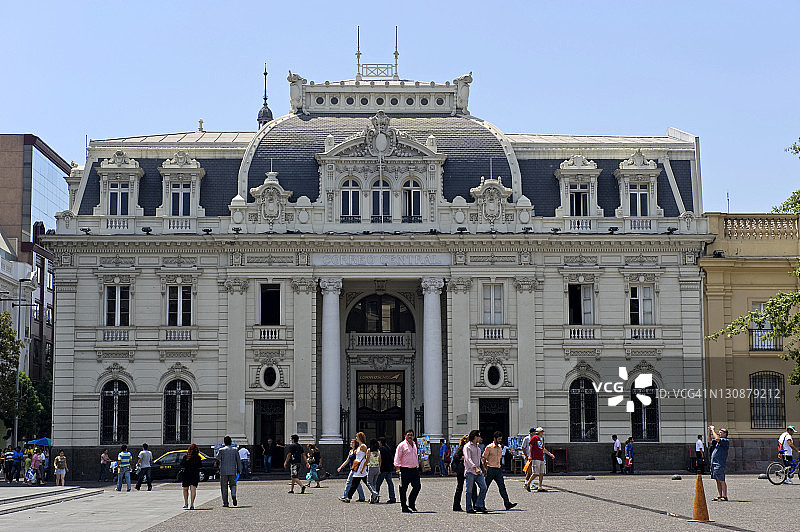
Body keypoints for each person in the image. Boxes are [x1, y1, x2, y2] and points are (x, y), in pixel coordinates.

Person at [483, 431, 517, 510]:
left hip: (498, 469)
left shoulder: (499, 447)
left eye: (501, 439)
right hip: (490, 469)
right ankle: (480, 503)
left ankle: (507, 503)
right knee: (485, 487)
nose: (500, 440)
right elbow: (484, 458)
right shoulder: (489, 447)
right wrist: (485, 468)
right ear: (495, 438)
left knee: (502, 487)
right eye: (499, 439)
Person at [342, 432, 375, 503]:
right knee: (359, 483)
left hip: (361, 467)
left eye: (357, 437)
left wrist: (364, 466)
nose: (356, 438)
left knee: (357, 483)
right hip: (358, 467)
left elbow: (367, 455)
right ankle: (348, 497)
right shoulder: (359, 447)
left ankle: (348, 497)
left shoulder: (363, 446)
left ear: (360, 438)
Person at [394, 428, 421, 513]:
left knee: (417, 486)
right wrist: (397, 468)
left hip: (414, 469)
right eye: (408, 435)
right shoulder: (402, 445)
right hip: (404, 469)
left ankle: (411, 503)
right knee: (403, 489)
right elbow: (397, 456)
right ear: (405, 436)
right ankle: (404, 507)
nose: (410, 436)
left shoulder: (414, 444)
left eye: (411, 435)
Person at [463, 430, 487, 514]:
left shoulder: (478, 447)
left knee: (484, 487)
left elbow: (479, 459)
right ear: (475, 437)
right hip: (470, 471)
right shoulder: (467, 447)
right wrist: (474, 467)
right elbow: (468, 458)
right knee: (469, 490)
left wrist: (482, 467)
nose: (480, 438)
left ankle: (479, 504)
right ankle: (469, 507)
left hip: (478, 471)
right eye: (479, 436)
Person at [524, 427, 554, 492]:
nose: (542, 433)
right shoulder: (534, 438)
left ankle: (540, 487)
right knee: (535, 473)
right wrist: (530, 456)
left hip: (541, 458)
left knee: (541, 473)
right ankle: (528, 484)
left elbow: (543, 449)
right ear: (538, 432)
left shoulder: (539, 439)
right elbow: (530, 447)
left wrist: (550, 454)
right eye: (541, 432)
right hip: (535, 458)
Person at [451, 434, 473, 512]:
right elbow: (456, 457)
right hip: (463, 470)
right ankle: (457, 505)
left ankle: (456, 505)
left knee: (463, 487)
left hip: (465, 470)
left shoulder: (463, 448)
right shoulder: (463, 448)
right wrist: (463, 458)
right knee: (464, 487)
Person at [217, 435, 241, 507]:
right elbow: (238, 461)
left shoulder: (221, 450)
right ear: (231, 442)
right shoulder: (235, 450)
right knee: (233, 484)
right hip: (233, 471)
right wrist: (239, 470)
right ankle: (233, 494)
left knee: (224, 487)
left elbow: (217, 458)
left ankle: (225, 502)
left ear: (224, 442)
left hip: (223, 471)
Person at [708, 425, 729, 501]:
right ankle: (719, 495)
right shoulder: (718, 442)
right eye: (719, 432)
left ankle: (725, 496)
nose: (719, 433)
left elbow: (717, 438)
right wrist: (709, 432)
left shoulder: (725, 441)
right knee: (717, 480)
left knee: (721, 480)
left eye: (721, 432)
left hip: (719, 463)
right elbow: (710, 440)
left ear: (725, 434)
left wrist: (713, 430)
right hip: (714, 463)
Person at [375, 437, 396, 504]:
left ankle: (375, 497)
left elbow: (380, 460)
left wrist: (379, 468)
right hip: (389, 468)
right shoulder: (388, 448)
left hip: (383, 469)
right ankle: (392, 497)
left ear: (380, 441)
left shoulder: (381, 449)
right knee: (390, 483)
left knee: (377, 484)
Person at [181, 444, 202, 510]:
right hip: (194, 474)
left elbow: (182, 464)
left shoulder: (186, 457)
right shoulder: (198, 458)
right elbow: (200, 466)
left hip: (186, 474)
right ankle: (192, 504)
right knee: (193, 489)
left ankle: (186, 503)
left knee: (185, 489)